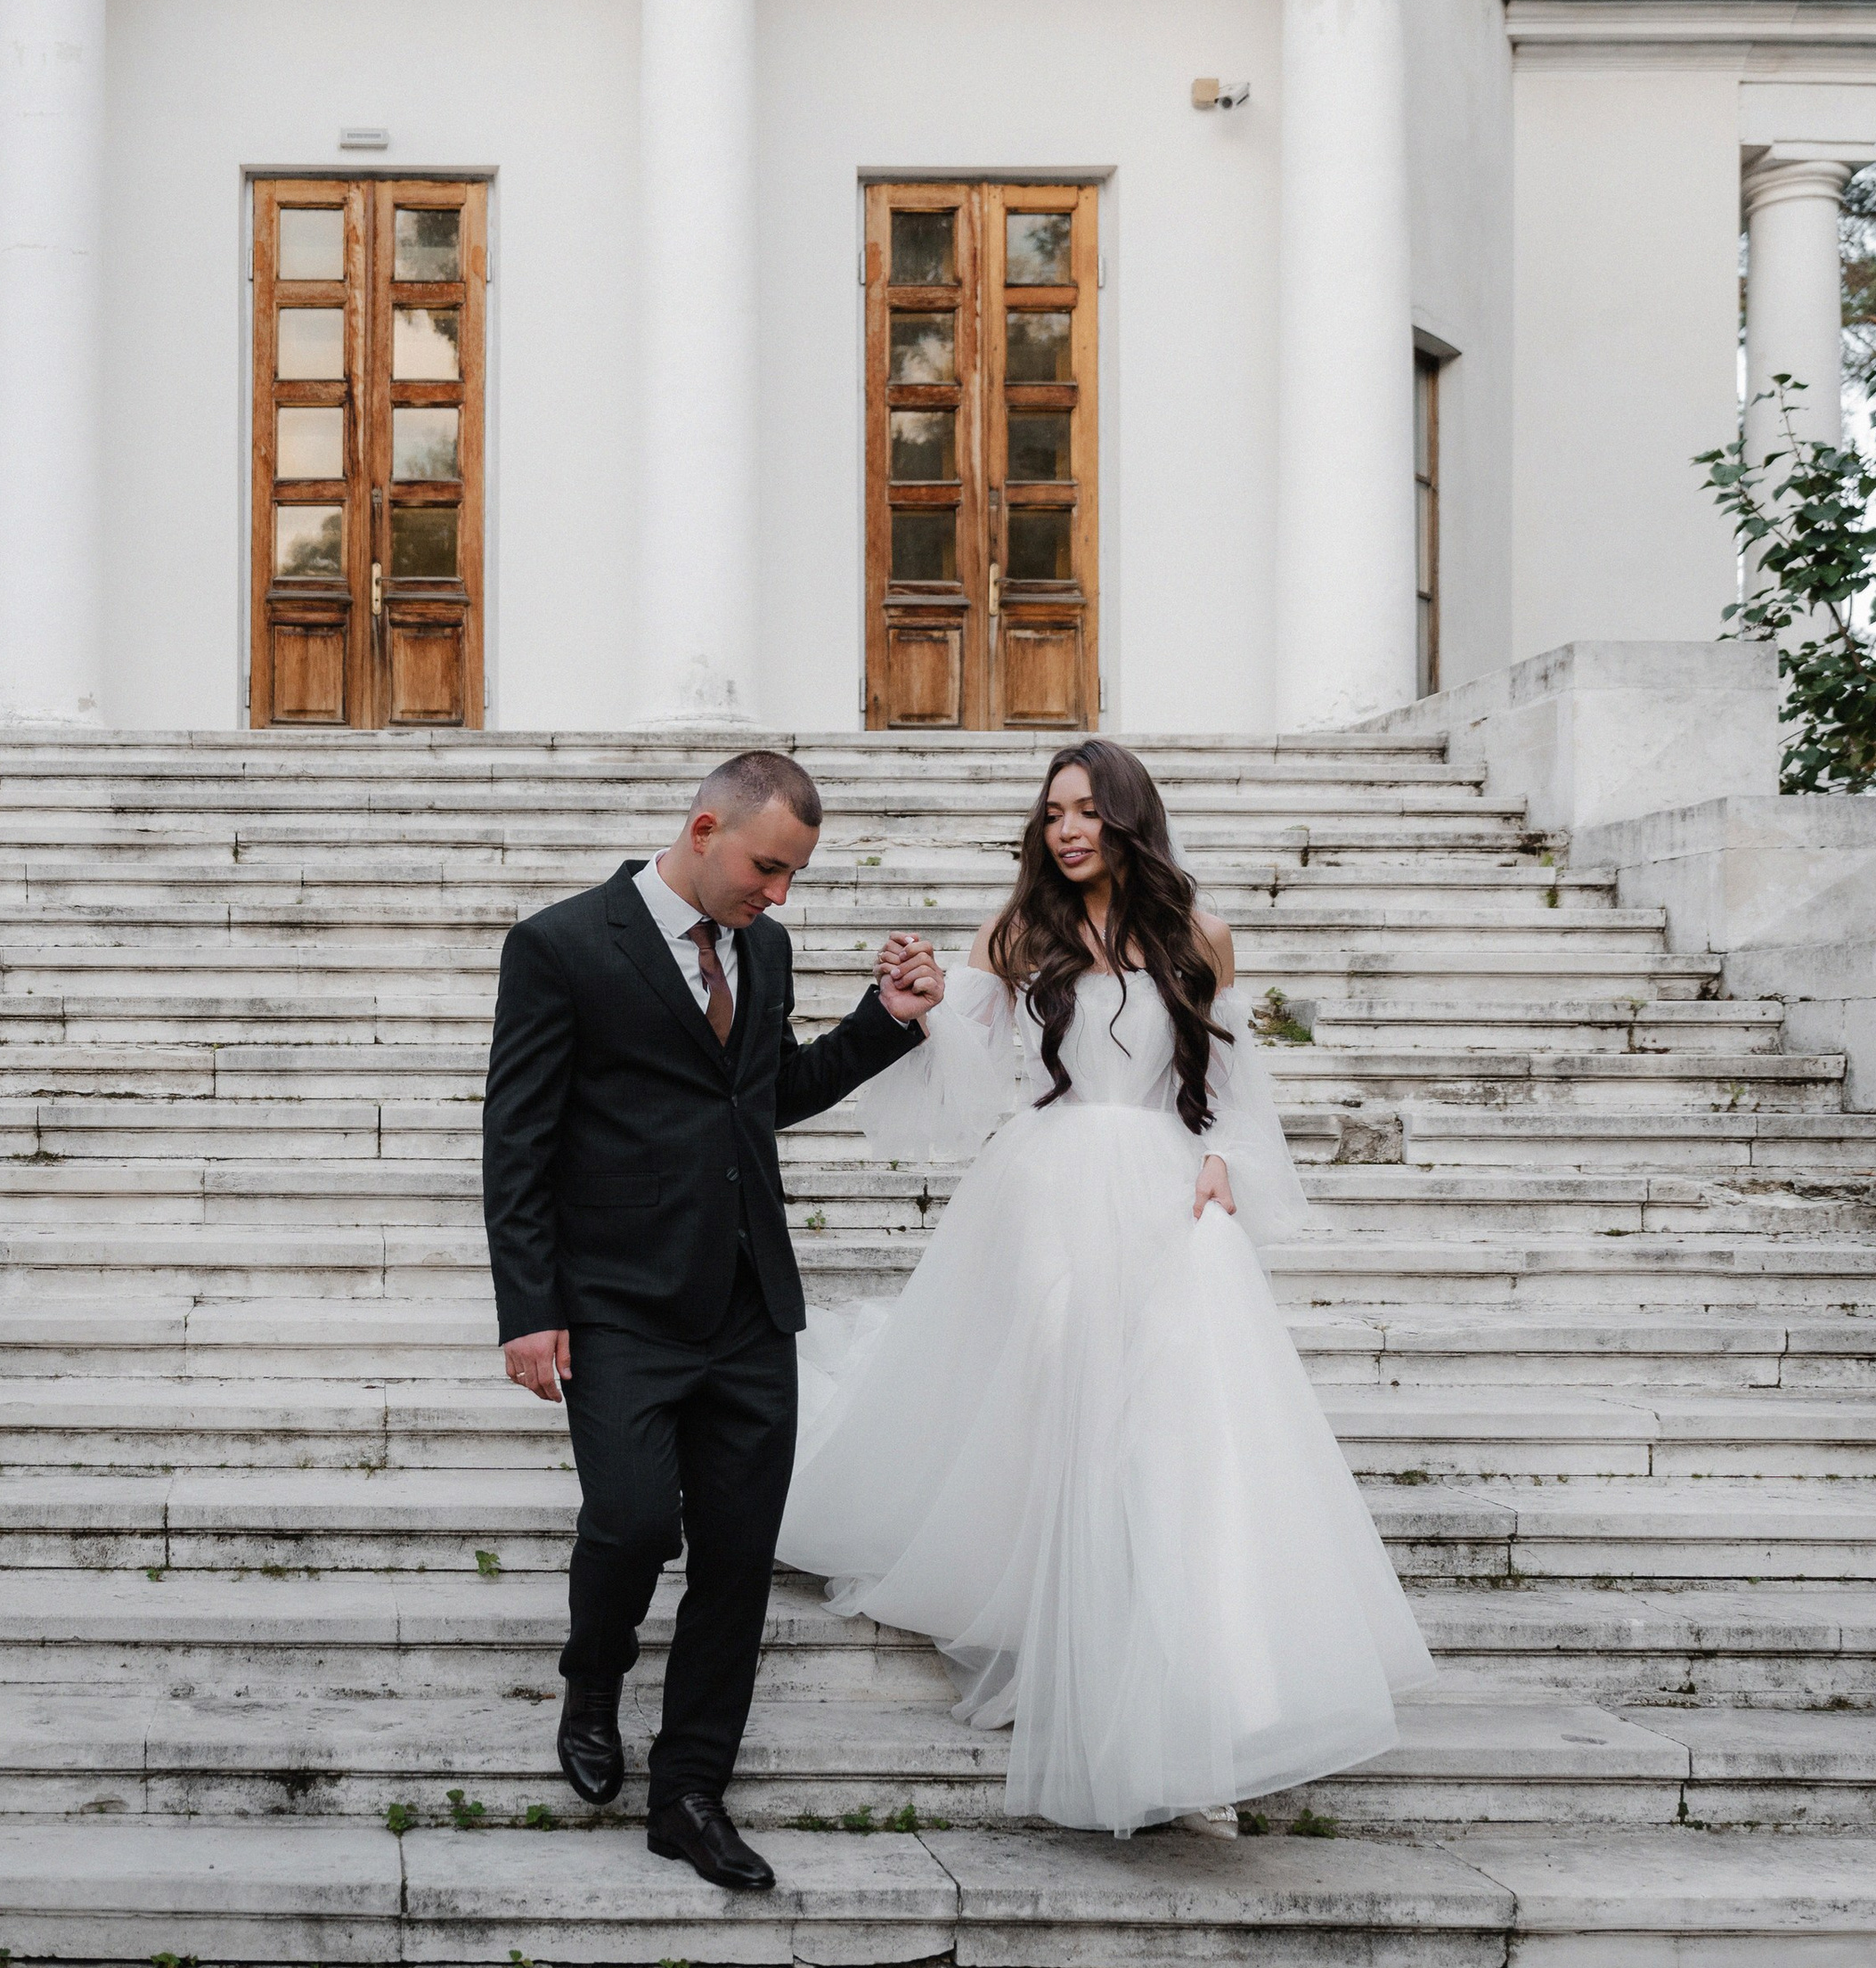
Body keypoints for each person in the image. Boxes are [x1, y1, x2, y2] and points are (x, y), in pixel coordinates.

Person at [777, 736, 1433, 1837]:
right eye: (1051, 813)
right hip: (1043, 1187)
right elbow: (978, 1076)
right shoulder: (1016, 931)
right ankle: (1069, 1635)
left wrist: (1227, 1157)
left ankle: (1179, 1684)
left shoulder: (1199, 935)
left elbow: (1232, 1086)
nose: (1067, 829)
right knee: (1064, 1378)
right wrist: (935, 1004)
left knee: (1165, 1419)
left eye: (1085, 809)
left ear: (1127, 816)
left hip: (1164, 1192)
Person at [483, 748, 944, 1892]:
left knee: (736, 1564)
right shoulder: (560, 945)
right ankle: (593, 1678)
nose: (777, 895)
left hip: (750, 1308)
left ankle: (690, 1792)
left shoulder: (766, 948)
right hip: (619, 1307)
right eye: (766, 867)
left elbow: (766, 1093)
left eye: (793, 876)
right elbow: (518, 1138)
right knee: (634, 1523)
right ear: (703, 828)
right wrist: (530, 1307)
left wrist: (884, 1019)